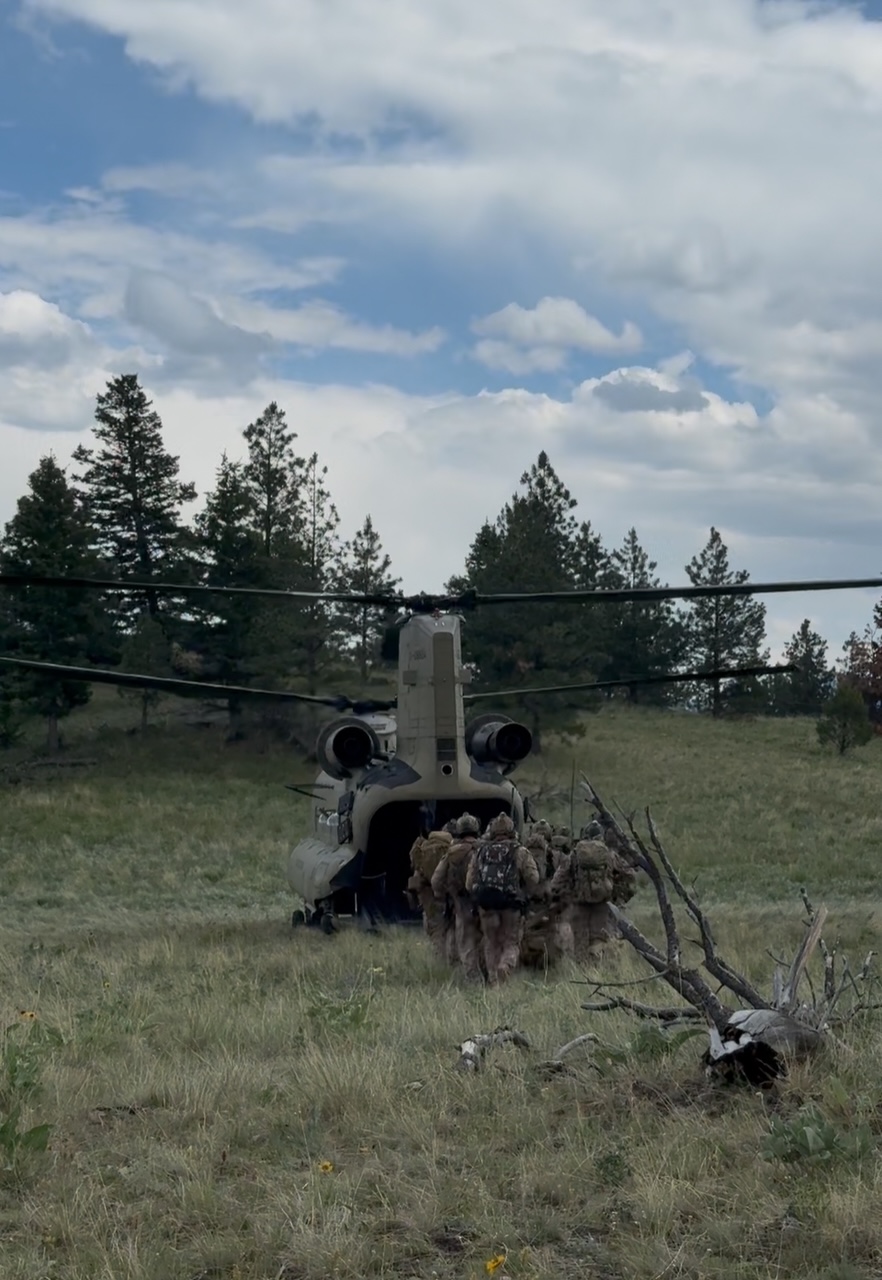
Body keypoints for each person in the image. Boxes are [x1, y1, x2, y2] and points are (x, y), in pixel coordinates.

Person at [466, 813, 539, 984]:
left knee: (491, 942)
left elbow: (469, 883)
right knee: (511, 942)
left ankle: (493, 980)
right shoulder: (520, 851)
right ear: (512, 831)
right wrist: (525, 893)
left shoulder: (480, 851)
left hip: (486, 906)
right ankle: (505, 966)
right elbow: (533, 878)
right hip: (511, 906)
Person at [431, 812, 484, 982]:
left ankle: (473, 978)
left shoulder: (452, 853)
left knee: (466, 943)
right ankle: (489, 974)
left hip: (461, 904)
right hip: (485, 903)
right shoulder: (484, 848)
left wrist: (441, 896)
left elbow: (436, 880)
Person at [407, 820, 457, 962]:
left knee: (436, 932)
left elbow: (416, 879)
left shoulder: (425, 849)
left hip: (429, 897)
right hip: (451, 895)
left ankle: (439, 963)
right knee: (454, 929)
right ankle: (453, 961)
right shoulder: (455, 849)